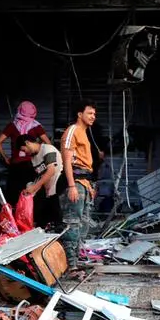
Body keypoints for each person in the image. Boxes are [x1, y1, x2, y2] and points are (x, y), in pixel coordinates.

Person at [60, 102, 99, 269]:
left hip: (84, 182)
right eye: (89, 113)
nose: (93, 117)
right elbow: (67, 161)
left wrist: (89, 187)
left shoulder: (84, 132)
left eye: (94, 114)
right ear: (79, 114)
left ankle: (76, 260)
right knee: (72, 222)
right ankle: (71, 264)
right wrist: (71, 186)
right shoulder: (72, 131)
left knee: (83, 224)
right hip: (75, 182)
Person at [0, 101, 51, 204]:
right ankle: (30, 216)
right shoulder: (36, 126)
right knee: (32, 191)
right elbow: (48, 143)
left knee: (13, 194)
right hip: (32, 164)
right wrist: (38, 152)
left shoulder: (12, 125)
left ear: (20, 111)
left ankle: (13, 216)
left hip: (15, 165)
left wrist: (5, 157)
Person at [14, 134, 63, 228]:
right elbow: (41, 176)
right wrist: (31, 189)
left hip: (59, 188)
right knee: (45, 220)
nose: (25, 153)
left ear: (27, 143)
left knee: (59, 219)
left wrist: (35, 187)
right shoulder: (33, 158)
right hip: (50, 192)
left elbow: (51, 170)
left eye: (24, 150)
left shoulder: (47, 149)